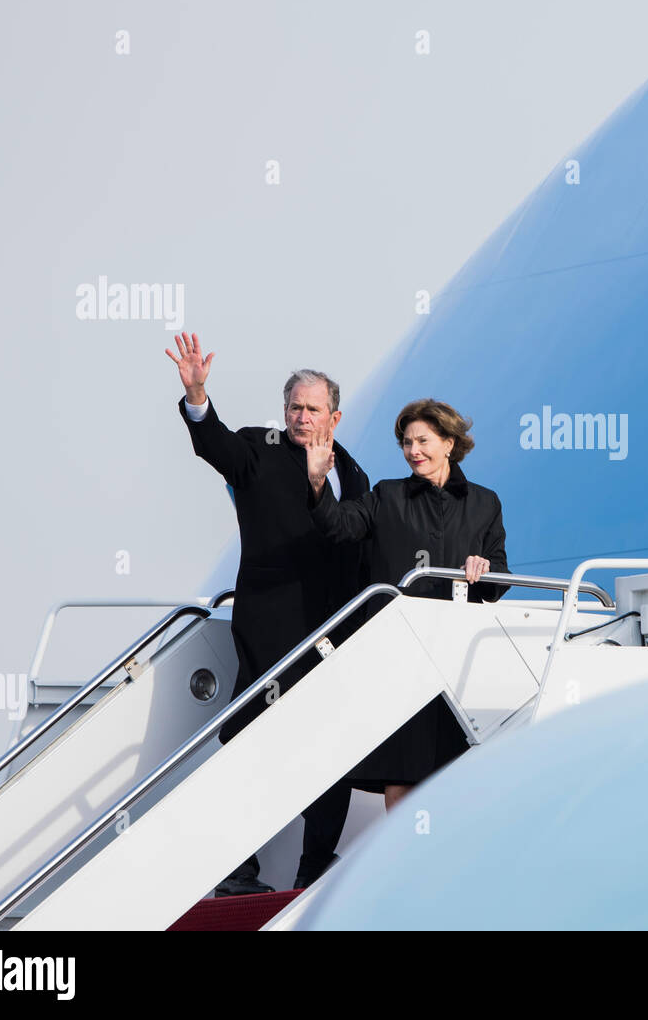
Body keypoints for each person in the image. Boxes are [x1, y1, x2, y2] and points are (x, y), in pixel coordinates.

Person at [167, 332, 371, 895]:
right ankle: (238, 871)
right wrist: (198, 397)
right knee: (247, 739)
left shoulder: (354, 475)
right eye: (294, 407)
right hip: (267, 624)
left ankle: (313, 869)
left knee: (331, 748)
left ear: (334, 415)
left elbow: (357, 542)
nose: (302, 418)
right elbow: (215, 446)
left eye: (312, 409)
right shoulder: (259, 449)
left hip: (330, 628)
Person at [299, 399, 508, 866]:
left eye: (423, 441)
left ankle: (444, 870)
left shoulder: (485, 503)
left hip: (458, 662)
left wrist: (484, 569)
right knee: (402, 777)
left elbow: (500, 579)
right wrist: (317, 482)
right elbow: (339, 527)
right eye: (407, 443)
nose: (413, 451)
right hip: (400, 658)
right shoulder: (387, 495)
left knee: (456, 774)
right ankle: (404, 872)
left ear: (449, 444)